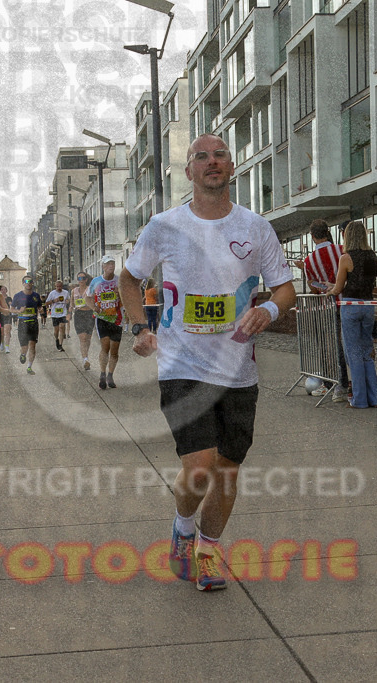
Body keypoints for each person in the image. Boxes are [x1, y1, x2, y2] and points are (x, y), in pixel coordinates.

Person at [119, 133, 295, 591]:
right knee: (199, 468)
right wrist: (139, 328)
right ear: (189, 172)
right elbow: (129, 279)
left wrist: (269, 310)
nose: (212, 162)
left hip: (239, 371)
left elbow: (284, 289)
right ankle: (182, 528)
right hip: (182, 365)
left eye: (219, 155)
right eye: (202, 157)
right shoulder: (164, 225)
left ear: (231, 166)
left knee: (228, 471)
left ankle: (209, 550)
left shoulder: (256, 228)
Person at [326, 222, 377, 408]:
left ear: (347, 236)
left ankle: (359, 399)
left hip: (351, 305)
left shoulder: (346, 258)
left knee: (353, 353)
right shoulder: (371, 256)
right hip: (368, 305)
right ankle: (375, 397)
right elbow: (373, 276)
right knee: (367, 351)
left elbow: (339, 287)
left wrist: (330, 289)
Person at [293, 219, 349, 402]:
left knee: (331, 347)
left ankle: (334, 383)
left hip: (327, 306)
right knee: (350, 345)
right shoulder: (341, 249)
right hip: (347, 302)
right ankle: (353, 382)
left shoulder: (310, 261)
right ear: (327, 232)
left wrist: (305, 270)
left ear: (312, 236)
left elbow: (314, 288)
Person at [90, 256, 123, 390]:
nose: (111, 266)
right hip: (102, 318)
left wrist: (119, 293)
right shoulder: (96, 281)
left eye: (113, 263)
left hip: (117, 318)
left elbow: (127, 297)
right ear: (103, 266)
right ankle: (102, 374)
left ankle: (110, 375)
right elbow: (88, 297)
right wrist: (94, 307)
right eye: (108, 264)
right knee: (105, 347)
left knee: (114, 351)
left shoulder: (119, 281)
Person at [11, 276, 44, 375]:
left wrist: (41, 309)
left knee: (32, 346)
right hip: (22, 323)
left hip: (33, 323)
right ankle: (22, 354)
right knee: (24, 347)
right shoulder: (17, 296)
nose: (28, 283)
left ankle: (29, 367)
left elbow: (39, 306)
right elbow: (11, 309)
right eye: (26, 281)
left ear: (32, 283)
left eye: (30, 281)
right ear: (23, 283)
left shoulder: (36, 295)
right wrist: (19, 311)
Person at [69, 271, 95, 370]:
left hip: (89, 314)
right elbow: (72, 303)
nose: (81, 280)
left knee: (88, 338)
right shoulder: (74, 291)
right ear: (77, 280)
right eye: (79, 278)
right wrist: (69, 311)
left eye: (83, 278)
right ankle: (85, 359)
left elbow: (95, 301)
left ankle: (86, 355)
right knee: (83, 338)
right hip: (79, 314)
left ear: (86, 279)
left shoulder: (90, 289)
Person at [44, 279, 69, 352]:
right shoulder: (52, 293)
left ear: (62, 286)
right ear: (55, 286)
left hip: (63, 313)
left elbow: (68, 300)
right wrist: (54, 301)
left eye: (60, 286)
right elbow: (46, 303)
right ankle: (56, 339)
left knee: (62, 327)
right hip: (55, 314)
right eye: (57, 286)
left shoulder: (66, 292)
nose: (59, 288)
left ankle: (60, 345)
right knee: (56, 331)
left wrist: (67, 301)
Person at [0, 284, 13, 354]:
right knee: (2, 332)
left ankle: (7, 347)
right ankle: (2, 343)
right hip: (0, 316)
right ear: (0, 291)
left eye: (4, 289)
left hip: (7, 316)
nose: (3, 291)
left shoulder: (9, 298)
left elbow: (11, 305)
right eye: (2, 290)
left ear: (6, 291)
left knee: (7, 332)